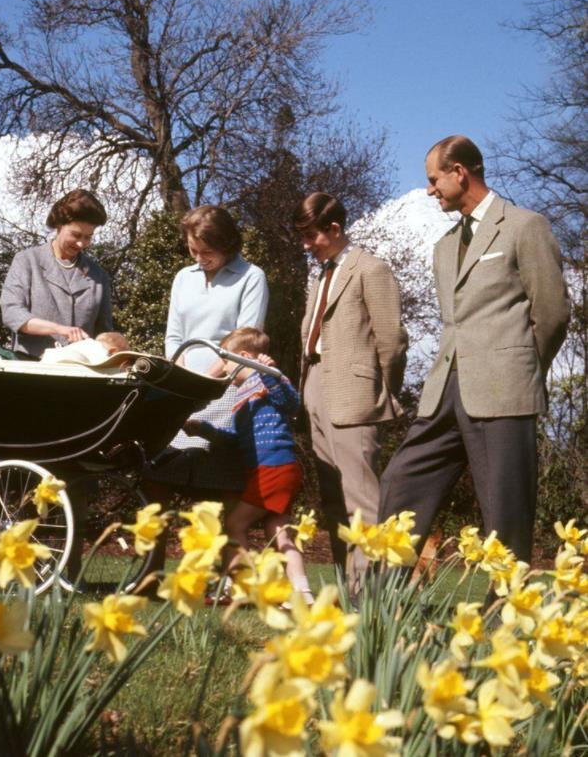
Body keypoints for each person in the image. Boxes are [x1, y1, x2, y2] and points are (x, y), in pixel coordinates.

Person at [379, 135, 571, 563]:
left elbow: (553, 313)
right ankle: (380, 599)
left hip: (503, 389)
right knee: (400, 479)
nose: (430, 190)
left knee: (505, 511)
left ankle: (506, 610)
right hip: (444, 388)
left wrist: (518, 366)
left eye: (434, 180)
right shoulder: (444, 246)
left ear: (459, 172)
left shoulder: (525, 226)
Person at [294, 192, 408, 590]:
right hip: (315, 389)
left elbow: (391, 340)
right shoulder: (321, 275)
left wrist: (380, 391)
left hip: (356, 396)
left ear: (335, 229)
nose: (307, 246)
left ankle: (371, 594)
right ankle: (349, 587)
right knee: (331, 498)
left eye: (312, 237)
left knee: (361, 497)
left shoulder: (371, 269)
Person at [146, 204, 269, 496]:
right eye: (193, 251)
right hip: (183, 387)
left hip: (226, 388)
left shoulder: (251, 277)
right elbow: (174, 335)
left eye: (207, 252)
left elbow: (245, 341)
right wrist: (182, 376)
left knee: (217, 482)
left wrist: (207, 382)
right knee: (157, 476)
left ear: (226, 244)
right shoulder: (183, 278)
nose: (200, 259)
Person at [183, 327, 312, 604]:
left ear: (243, 357)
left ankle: (242, 587)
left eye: (226, 362)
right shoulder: (242, 395)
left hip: (273, 466)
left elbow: (291, 403)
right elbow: (236, 439)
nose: (224, 368)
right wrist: (205, 429)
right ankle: (301, 592)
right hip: (271, 467)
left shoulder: (270, 380)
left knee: (234, 523)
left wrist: (267, 372)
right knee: (279, 531)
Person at [0, 189, 113, 357]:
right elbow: (12, 313)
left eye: (88, 237)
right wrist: (60, 329)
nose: (81, 243)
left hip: (81, 372)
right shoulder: (27, 260)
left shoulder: (99, 276)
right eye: (76, 235)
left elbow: (103, 332)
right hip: (30, 367)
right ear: (59, 226)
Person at [41, 331, 130, 365]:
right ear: (113, 352)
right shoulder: (100, 350)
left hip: (48, 357)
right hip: (63, 361)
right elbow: (101, 364)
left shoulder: (85, 343)